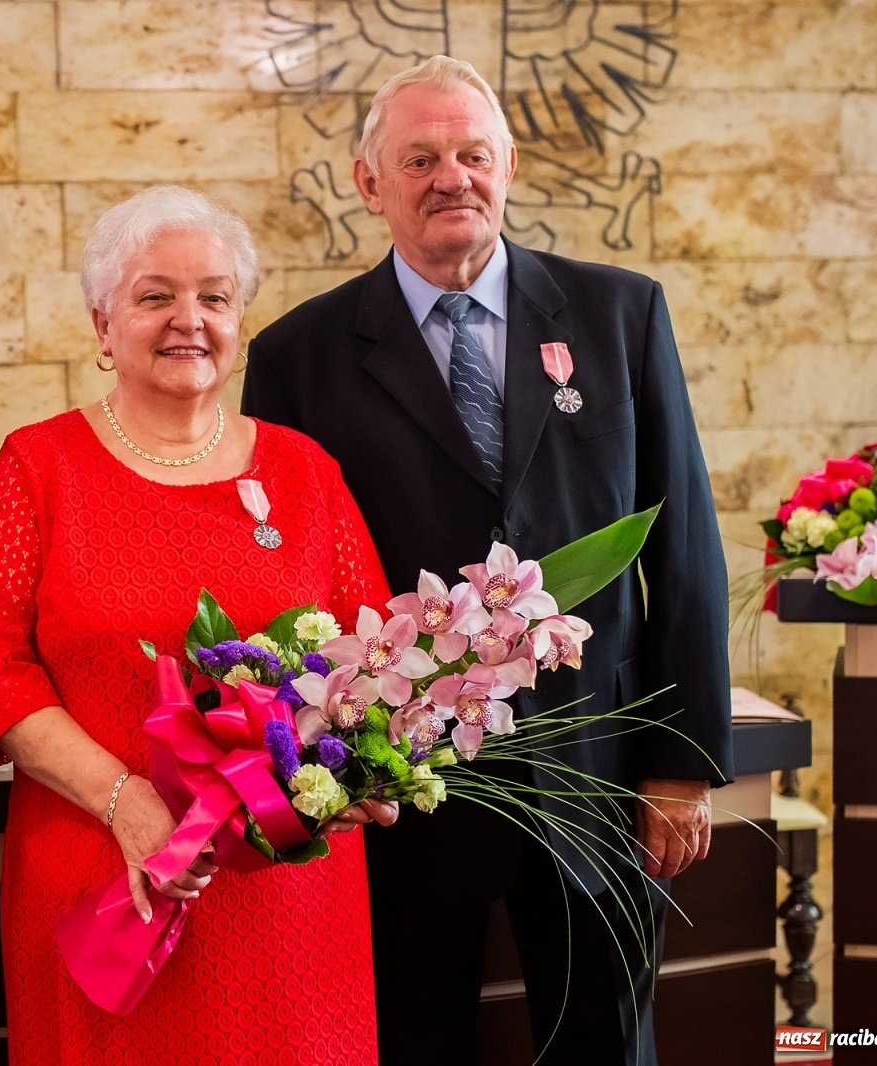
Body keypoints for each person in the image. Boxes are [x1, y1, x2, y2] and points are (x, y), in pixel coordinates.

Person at [243, 56, 733, 1066]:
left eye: (470, 153)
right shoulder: (300, 355)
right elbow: (285, 589)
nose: (449, 177)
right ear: (368, 182)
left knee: (601, 1040)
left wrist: (681, 768)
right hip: (400, 792)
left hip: (597, 778)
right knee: (408, 1040)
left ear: (508, 164)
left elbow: (682, 547)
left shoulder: (619, 314)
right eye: (418, 157)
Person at [0, 186, 397, 1065]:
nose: (189, 319)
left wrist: (372, 765)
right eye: (156, 296)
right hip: (106, 873)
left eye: (214, 297)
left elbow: (371, 658)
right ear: (104, 323)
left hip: (288, 901)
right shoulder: (40, 468)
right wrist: (126, 802)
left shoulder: (305, 473)